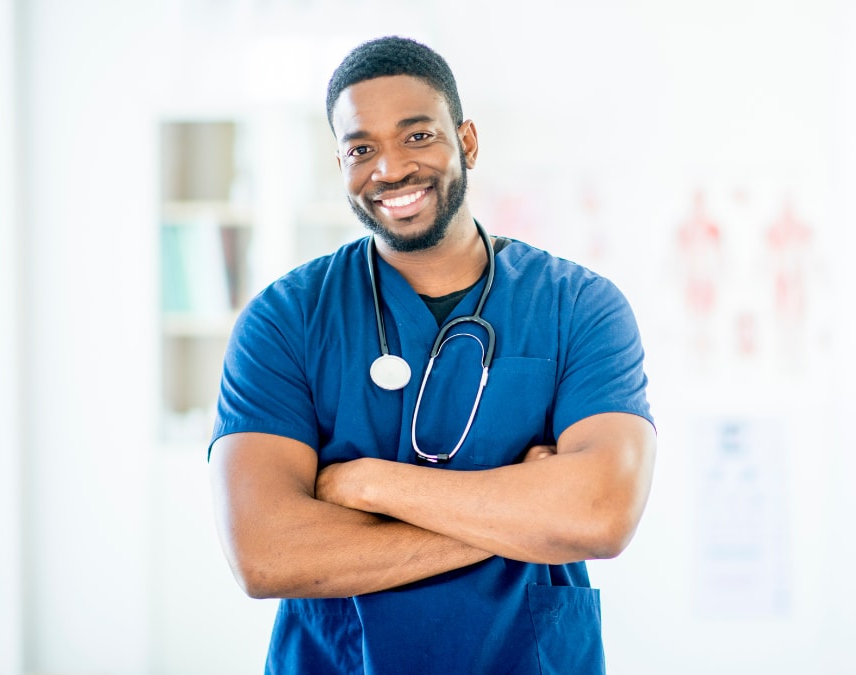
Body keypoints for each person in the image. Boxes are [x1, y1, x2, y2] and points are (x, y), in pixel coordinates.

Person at [208, 35, 657, 674]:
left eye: (418, 136)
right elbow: (264, 555)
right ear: (339, 163)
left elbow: (600, 514)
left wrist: (365, 484)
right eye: (361, 148)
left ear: (467, 142)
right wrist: (522, 515)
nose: (390, 169)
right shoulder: (285, 319)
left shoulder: (578, 307)